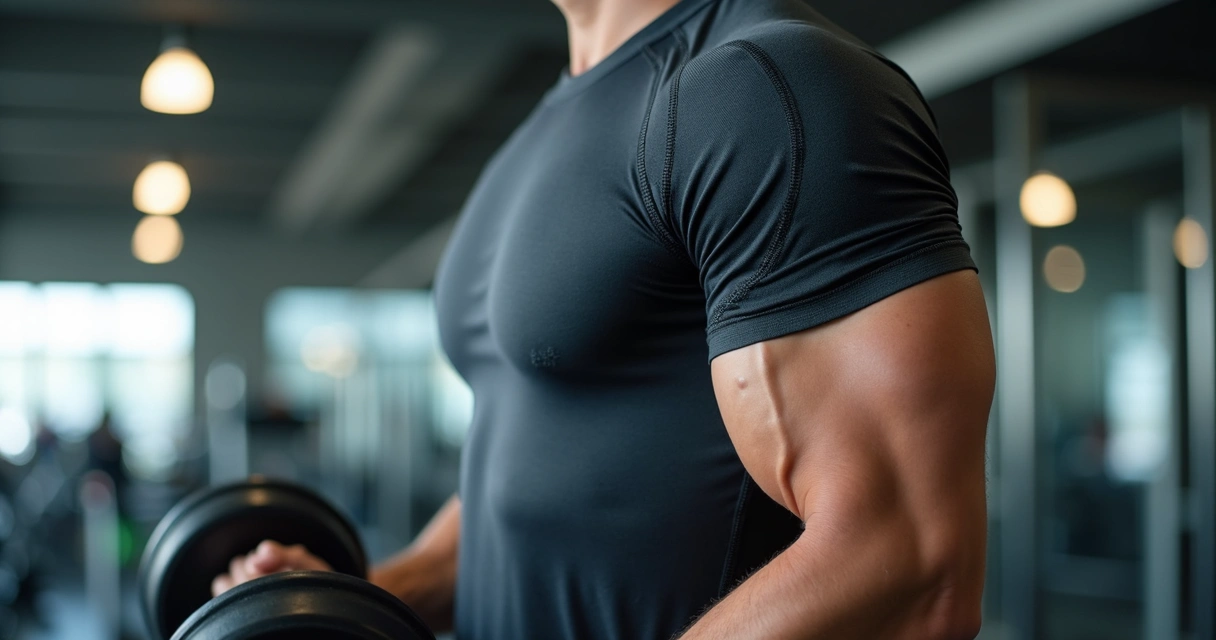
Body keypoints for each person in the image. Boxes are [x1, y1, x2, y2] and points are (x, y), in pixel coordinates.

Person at [212, 0, 996, 637]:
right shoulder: (534, 139)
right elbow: (530, 488)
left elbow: (907, 561)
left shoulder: (773, 86)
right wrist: (354, 600)